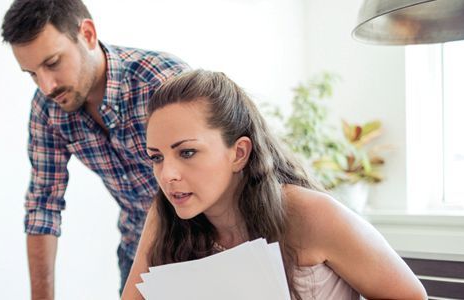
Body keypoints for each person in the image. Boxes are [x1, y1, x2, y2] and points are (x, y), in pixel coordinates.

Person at [121, 70, 427, 299]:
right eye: (157, 157)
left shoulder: (308, 212)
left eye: (187, 152)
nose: (167, 174)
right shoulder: (165, 217)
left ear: (238, 153)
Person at [0, 0, 190, 298]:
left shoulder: (161, 82)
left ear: (87, 34)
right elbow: (43, 206)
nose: (47, 86)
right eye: (32, 74)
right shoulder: (47, 110)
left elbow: (220, 177)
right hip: (135, 250)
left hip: (201, 247)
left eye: (52, 63)